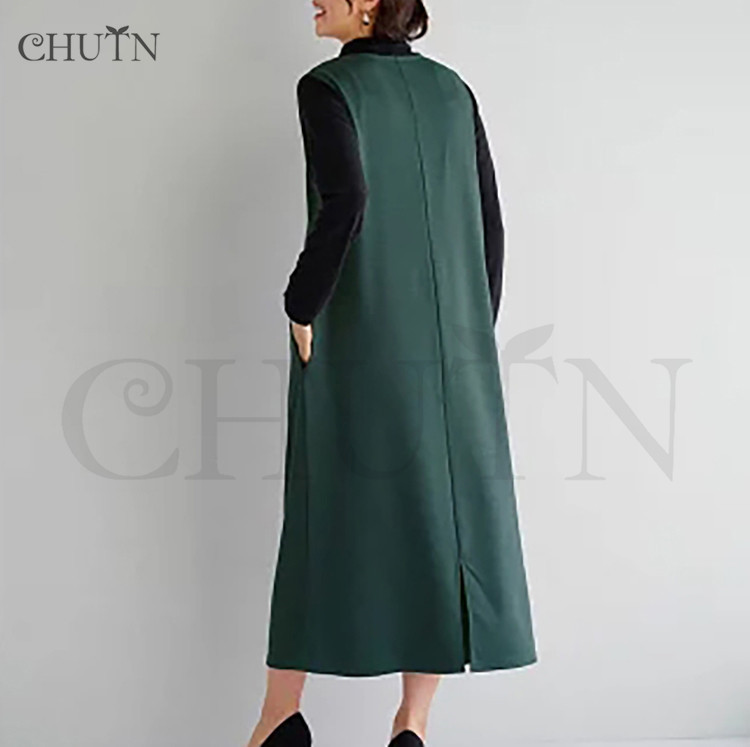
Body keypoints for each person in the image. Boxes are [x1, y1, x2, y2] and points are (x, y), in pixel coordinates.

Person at [247, 1, 537, 745]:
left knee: (322, 511)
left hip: (358, 327)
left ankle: (280, 718)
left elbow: (347, 199)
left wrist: (301, 302)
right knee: (440, 516)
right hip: (455, 343)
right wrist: (473, 324)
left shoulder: (327, 87)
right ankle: (412, 723)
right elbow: (490, 221)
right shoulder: (452, 91)